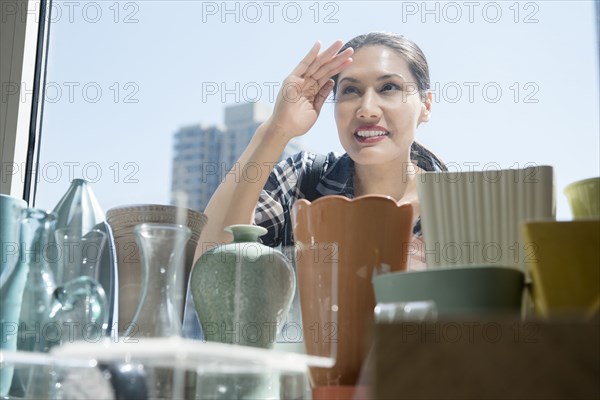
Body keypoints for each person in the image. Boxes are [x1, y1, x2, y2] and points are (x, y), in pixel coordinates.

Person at [195, 32, 446, 267]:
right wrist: (275, 130)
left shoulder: (455, 209)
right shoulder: (302, 181)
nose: (367, 109)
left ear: (426, 105)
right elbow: (211, 266)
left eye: (388, 87)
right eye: (351, 90)